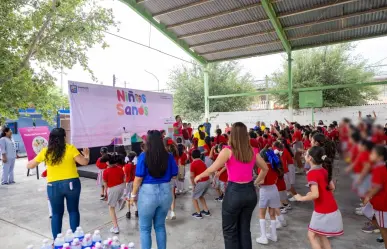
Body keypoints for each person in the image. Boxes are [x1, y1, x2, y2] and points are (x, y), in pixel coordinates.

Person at [194, 122, 269, 249]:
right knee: (245, 229)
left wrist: (199, 176)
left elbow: (213, 168)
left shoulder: (227, 151)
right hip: (250, 192)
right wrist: (255, 183)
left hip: (234, 192)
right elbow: (265, 168)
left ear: (232, 135)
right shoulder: (252, 151)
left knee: (230, 231)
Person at [27, 128, 90, 239]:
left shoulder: (46, 151)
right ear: (64, 137)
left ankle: (57, 241)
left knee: (56, 214)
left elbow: (30, 165)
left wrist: (34, 158)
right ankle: (76, 239)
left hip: (53, 186)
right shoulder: (70, 148)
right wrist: (87, 155)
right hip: (72, 184)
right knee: (73, 210)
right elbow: (84, 162)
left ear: (50, 138)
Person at [129, 130, 178, 249]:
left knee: (145, 229)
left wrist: (133, 196)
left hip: (148, 194)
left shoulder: (143, 156)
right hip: (166, 192)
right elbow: (175, 174)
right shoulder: (169, 156)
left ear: (148, 141)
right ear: (161, 140)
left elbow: (138, 178)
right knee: (160, 226)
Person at [295, 146, 343, 249]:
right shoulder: (324, 170)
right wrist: (311, 193)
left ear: (310, 158)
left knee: (311, 235)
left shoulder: (312, 173)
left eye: (306, 154)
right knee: (321, 235)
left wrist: (301, 198)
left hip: (322, 210)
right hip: (332, 207)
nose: (304, 155)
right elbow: (332, 188)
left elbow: (315, 194)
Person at [256, 148, 283, 245]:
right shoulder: (274, 166)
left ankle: (263, 236)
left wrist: (256, 183)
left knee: (262, 214)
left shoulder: (263, 168)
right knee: (272, 214)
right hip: (274, 189)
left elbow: (262, 181)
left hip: (265, 191)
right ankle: (273, 235)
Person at [363, 145, 387, 248]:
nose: (370, 155)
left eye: (373, 153)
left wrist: (368, 196)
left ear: (380, 157)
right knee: (369, 213)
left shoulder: (379, 168)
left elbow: (377, 187)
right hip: (379, 201)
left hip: (381, 203)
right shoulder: (380, 167)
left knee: (383, 229)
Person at [102, 154, 126, 234]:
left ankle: (115, 227)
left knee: (111, 208)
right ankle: (121, 199)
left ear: (108, 162)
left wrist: (106, 193)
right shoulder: (120, 168)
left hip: (112, 188)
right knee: (118, 196)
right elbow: (123, 178)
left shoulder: (105, 171)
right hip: (121, 186)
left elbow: (105, 184)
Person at [190, 149, 211, 219]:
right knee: (200, 195)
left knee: (193, 197)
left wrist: (193, 185)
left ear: (192, 156)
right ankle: (206, 210)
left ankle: (198, 213)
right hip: (207, 181)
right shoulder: (202, 162)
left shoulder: (193, 164)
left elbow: (191, 176)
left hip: (201, 182)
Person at [123, 151, 138, 219]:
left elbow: (124, 176)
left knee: (128, 199)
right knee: (135, 198)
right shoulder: (136, 166)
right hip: (135, 183)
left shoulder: (125, 166)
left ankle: (128, 212)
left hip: (128, 183)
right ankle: (137, 211)